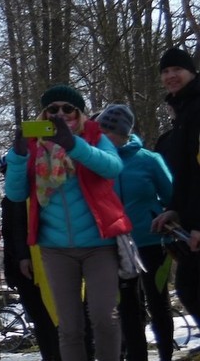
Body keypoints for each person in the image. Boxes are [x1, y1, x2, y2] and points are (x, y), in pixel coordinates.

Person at [5, 84, 129, 361]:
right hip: (55, 248)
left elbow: (113, 168)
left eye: (67, 109)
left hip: (99, 244)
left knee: (103, 318)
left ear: (80, 113)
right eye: (52, 109)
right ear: (44, 113)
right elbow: (15, 194)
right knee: (69, 327)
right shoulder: (35, 144)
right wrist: (17, 156)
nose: (60, 114)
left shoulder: (94, 136)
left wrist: (74, 146)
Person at [101, 104, 175, 361]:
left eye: (106, 131)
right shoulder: (100, 162)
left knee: (158, 304)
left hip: (151, 242)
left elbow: (172, 197)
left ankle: (166, 355)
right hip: (117, 246)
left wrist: (168, 216)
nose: (101, 136)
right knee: (129, 309)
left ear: (121, 132)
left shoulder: (149, 160)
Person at [150, 47, 200, 325]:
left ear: (191, 72)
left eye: (177, 70)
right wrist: (174, 210)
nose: (171, 76)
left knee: (191, 289)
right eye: (165, 71)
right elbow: (186, 174)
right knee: (189, 289)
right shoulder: (184, 111)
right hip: (189, 221)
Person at [0, 155, 60, 361]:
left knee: (53, 316)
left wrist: (27, 256)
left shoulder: (38, 195)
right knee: (39, 319)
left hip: (42, 263)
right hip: (20, 269)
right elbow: (9, 236)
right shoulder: (8, 201)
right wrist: (10, 270)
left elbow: (25, 230)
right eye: (6, 174)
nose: (9, 177)